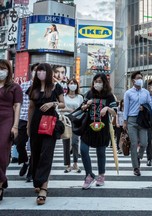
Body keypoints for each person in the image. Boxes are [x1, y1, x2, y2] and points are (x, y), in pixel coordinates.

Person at [27, 63, 65, 205]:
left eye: (43, 70)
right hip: (36, 123)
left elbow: (63, 104)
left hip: (50, 123)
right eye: (38, 71)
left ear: (48, 72)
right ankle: (39, 181)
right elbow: (31, 108)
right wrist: (28, 126)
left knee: (46, 154)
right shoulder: (33, 88)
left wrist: (52, 104)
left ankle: (44, 188)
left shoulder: (56, 87)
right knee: (36, 154)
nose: (40, 73)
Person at [80, 73, 117, 190]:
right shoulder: (89, 93)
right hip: (88, 126)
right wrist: (86, 105)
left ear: (104, 82)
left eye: (100, 81)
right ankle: (89, 174)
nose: (97, 83)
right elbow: (81, 108)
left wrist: (107, 108)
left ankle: (101, 175)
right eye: (95, 81)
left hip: (102, 127)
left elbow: (115, 112)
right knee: (83, 149)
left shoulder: (109, 96)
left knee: (101, 152)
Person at [0, 59, 22, 201]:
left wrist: (15, 126)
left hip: (7, 120)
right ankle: (2, 178)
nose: (1, 71)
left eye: (3, 68)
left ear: (8, 70)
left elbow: (17, 107)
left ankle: (0, 183)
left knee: (2, 150)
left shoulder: (14, 87)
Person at [123, 71, 151, 176]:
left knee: (144, 143)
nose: (140, 79)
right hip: (132, 120)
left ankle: (138, 157)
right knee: (134, 144)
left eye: (141, 78)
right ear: (133, 80)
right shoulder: (128, 93)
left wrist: (144, 108)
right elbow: (125, 108)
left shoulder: (146, 92)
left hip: (142, 120)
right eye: (138, 78)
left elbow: (150, 105)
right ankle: (135, 167)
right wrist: (125, 121)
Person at [15, 63, 39, 182]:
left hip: (38, 120)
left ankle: (31, 171)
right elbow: (18, 103)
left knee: (35, 146)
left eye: (40, 70)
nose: (38, 73)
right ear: (32, 72)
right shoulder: (23, 86)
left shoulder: (44, 88)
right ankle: (25, 161)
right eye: (35, 70)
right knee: (19, 143)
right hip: (23, 118)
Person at [60, 78, 83, 173]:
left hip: (76, 120)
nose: (72, 85)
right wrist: (68, 110)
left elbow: (83, 109)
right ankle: (67, 164)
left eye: (74, 83)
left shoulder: (80, 97)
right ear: (68, 85)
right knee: (66, 142)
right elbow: (59, 109)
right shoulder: (64, 97)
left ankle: (75, 163)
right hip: (66, 120)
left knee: (75, 142)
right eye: (71, 83)